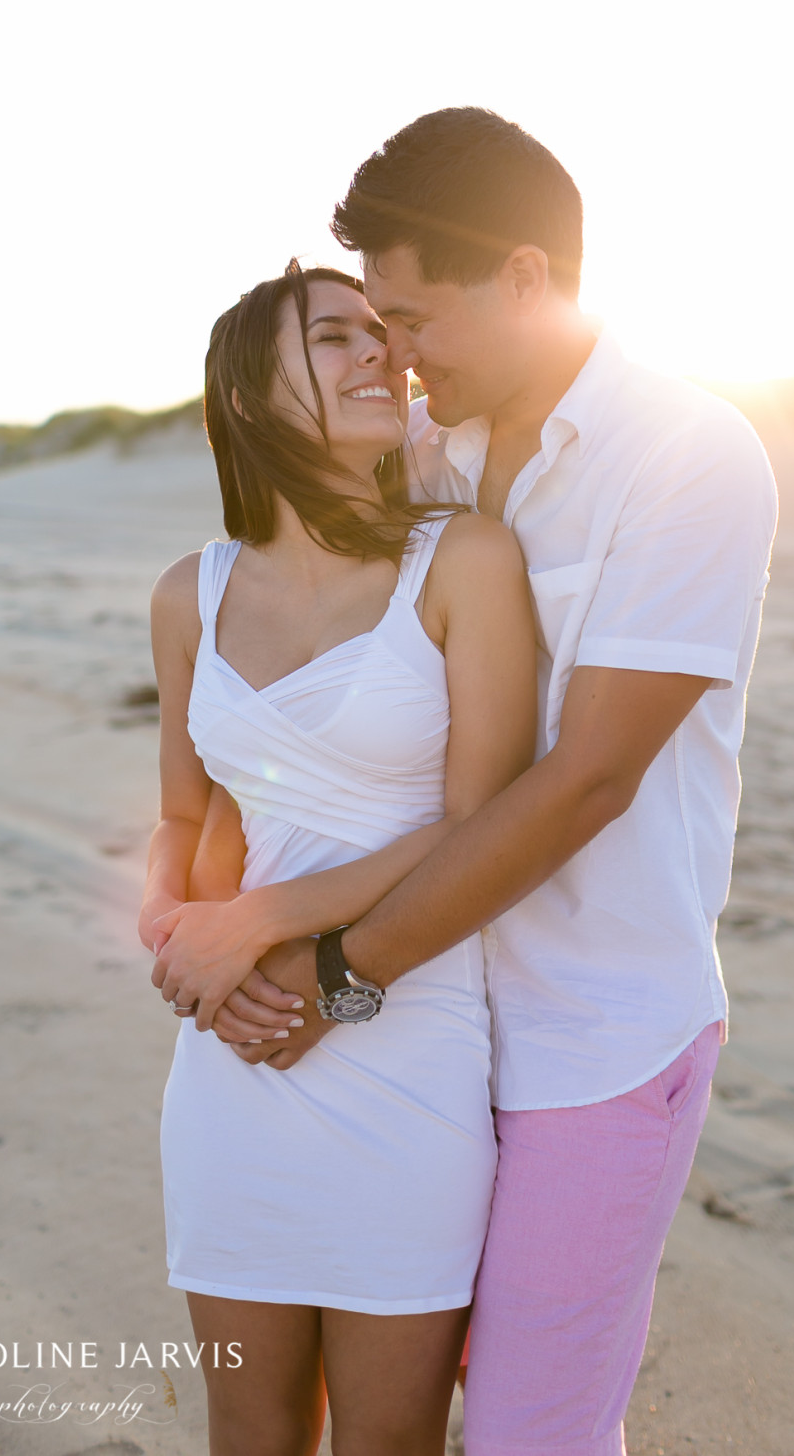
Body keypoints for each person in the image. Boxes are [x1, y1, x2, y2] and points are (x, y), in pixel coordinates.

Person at [157, 109, 779, 1456]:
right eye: (370, 326)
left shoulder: (686, 453)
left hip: (584, 1032)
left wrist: (328, 972)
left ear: (524, 278)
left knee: (527, 1434)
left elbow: (586, 779)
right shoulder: (436, 460)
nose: (394, 352)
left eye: (410, 318)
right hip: (437, 1028)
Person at [140, 258, 536, 1456]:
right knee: (249, 1432)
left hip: (408, 1051)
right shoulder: (190, 594)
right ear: (245, 394)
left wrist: (260, 922)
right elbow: (184, 820)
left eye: (380, 332)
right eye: (332, 337)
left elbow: (481, 822)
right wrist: (178, 931)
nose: (380, 353)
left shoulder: (463, 560)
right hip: (235, 1059)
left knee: (389, 1439)